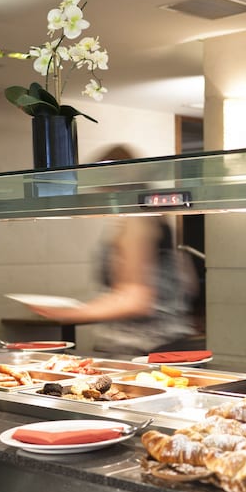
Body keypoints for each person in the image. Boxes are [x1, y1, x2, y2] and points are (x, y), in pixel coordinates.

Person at [27, 146, 197, 357]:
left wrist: (69, 313)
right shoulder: (152, 218)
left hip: (145, 350)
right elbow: (188, 282)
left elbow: (135, 300)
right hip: (155, 346)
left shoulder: (136, 223)